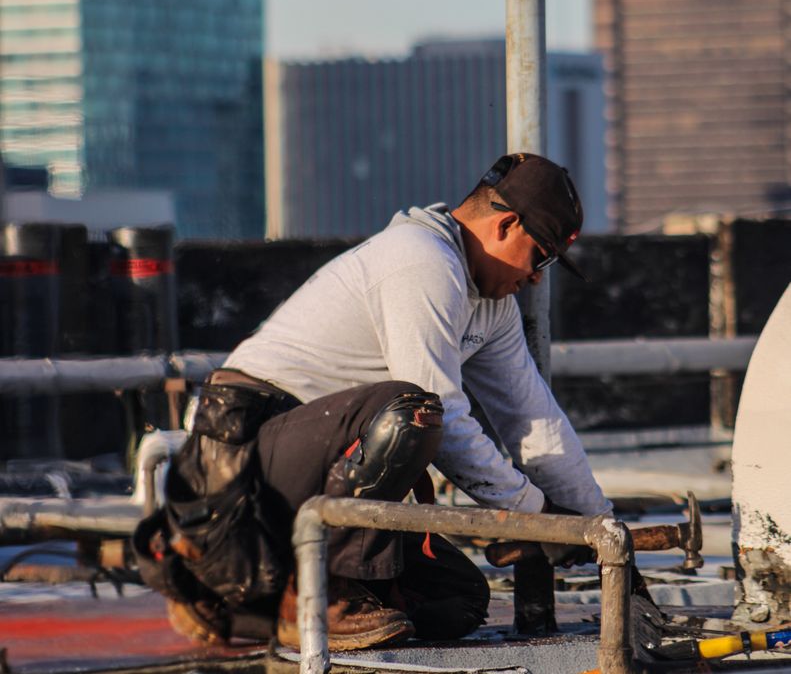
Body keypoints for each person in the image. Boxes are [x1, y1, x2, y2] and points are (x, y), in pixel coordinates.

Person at [135, 153, 611, 650]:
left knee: (457, 600)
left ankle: (242, 606)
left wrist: (599, 532)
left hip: (314, 475)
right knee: (414, 413)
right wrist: (536, 513)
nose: (537, 277)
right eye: (542, 256)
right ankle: (318, 598)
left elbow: (534, 421)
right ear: (507, 224)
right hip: (240, 465)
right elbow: (444, 416)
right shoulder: (421, 260)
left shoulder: (493, 308)